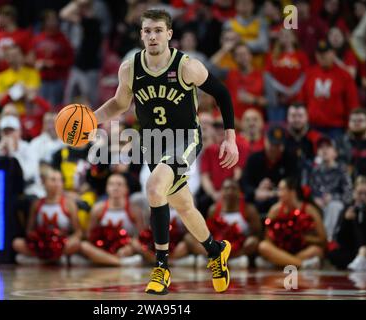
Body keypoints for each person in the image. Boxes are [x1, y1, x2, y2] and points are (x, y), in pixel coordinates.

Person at [93, 9, 238, 294]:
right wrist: (91, 120)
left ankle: (161, 268)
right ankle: (215, 250)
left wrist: (230, 138)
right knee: (182, 204)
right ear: (141, 35)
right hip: (152, 143)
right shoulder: (130, 67)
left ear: (169, 34)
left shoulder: (186, 66)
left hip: (185, 138)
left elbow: (221, 93)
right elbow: (119, 105)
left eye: (158, 30)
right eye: (147, 31)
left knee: (154, 186)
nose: (152, 36)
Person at [186, 179, 262, 269]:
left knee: (253, 242)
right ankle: (220, 258)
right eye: (226, 189)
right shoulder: (213, 209)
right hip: (218, 245)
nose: (230, 191)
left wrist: (238, 237)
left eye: (233, 188)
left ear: (239, 192)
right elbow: (208, 232)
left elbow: (258, 233)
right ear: (221, 192)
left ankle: (220, 259)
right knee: (188, 238)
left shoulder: (249, 209)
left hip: (238, 247)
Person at [12, 168, 82, 265]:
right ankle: (55, 259)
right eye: (53, 180)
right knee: (17, 243)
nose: (57, 183)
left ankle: (44, 260)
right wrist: (37, 240)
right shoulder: (37, 204)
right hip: (42, 244)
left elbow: (78, 232)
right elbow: (29, 230)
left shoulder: (69, 204)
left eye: (60, 180)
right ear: (44, 182)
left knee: (76, 244)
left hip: (62, 243)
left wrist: (70, 239)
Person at [257, 177, 327, 269]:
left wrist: (303, 238)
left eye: (282, 190)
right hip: (280, 250)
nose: (278, 194)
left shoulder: (309, 209)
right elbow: (267, 238)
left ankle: (281, 263)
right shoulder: (275, 210)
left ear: (292, 192)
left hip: (302, 250)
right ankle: (301, 264)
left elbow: (323, 239)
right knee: (263, 246)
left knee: (316, 250)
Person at [79, 173, 144, 267]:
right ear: (106, 188)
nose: (115, 187)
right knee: (84, 245)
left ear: (126, 189)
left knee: (137, 245)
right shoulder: (98, 209)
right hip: (103, 248)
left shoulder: (134, 210)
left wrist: (129, 248)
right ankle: (120, 262)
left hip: (125, 248)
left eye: (119, 184)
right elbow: (89, 236)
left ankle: (105, 260)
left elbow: (140, 237)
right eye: (111, 184)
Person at [328, 176, 366, 271]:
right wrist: (346, 220)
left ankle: (362, 258)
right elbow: (338, 237)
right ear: (354, 193)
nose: (362, 197)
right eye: (359, 193)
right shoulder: (347, 209)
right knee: (333, 254)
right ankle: (360, 260)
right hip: (352, 251)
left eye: (365, 194)